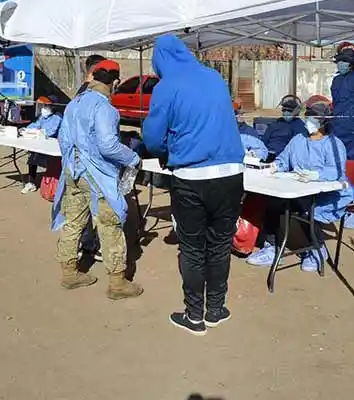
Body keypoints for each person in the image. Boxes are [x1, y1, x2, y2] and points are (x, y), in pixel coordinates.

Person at [143, 35, 245, 336]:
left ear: (161, 59)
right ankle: (216, 309)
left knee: (192, 248)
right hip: (231, 174)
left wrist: (164, 153)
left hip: (192, 177)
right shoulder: (213, 76)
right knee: (220, 244)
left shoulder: (167, 86)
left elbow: (152, 137)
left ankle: (194, 316)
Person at [52, 59, 143, 300]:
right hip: (98, 176)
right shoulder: (105, 108)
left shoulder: (74, 103)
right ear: (114, 82)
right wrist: (133, 158)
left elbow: (62, 138)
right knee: (110, 226)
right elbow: (109, 146)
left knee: (73, 222)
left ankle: (70, 273)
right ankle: (117, 283)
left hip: (73, 171)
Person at [245, 101, 354, 273]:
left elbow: (337, 171)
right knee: (272, 203)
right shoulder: (298, 139)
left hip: (328, 194)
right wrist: (274, 167)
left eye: (313, 119)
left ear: (323, 123)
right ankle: (272, 248)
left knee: (307, 209)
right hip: (298, 188)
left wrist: (317, 175)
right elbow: (284, 159)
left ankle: (317, 248)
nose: (308, 122)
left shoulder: (334, 145)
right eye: (308, 118)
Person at [75, 54, 107, 261]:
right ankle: (91, 244)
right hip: (92, 159)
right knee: (96, 206)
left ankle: (84, 244)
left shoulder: (80, 93)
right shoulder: (94, 94)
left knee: (80, 208)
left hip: (78, 159)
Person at [21, 96, 62, 194]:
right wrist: (26, 130)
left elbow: (50, 132)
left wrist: (37, 132)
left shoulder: (57, 117)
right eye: (44, 105)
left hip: (53, 146)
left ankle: (52, 185)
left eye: (47, 105)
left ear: (53, 106)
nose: (44, 107)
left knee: (36, 156)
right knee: (32, 156)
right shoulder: (43, 117)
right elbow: (35, 125)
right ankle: (31, 183)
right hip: (41, 143)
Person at [260, 95, 307, 161]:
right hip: (266, 155)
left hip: (283, 159)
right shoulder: (275, 123)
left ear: (297, 111)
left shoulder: (300, 126)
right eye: (284, 110)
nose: (286, 113)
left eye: (289, 111)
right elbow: (264, 141)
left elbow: (295, 148)